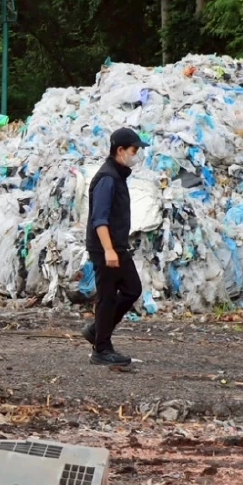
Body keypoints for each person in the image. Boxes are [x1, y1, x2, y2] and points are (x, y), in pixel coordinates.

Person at [81, 127, 147, 366]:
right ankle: (101, 349)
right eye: (134, 150)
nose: (136, 154)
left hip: (116, 246)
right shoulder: (108, 178)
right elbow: (100, 218)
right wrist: (108, 249)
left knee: (132, 289)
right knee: (108, 297)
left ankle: (97, 330)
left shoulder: (117, 175)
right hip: (105, 248)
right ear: (120, 150)